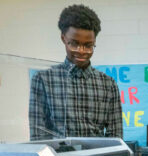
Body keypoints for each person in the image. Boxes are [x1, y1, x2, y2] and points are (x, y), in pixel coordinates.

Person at [29, 4, 122, 141]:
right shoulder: (43, 79)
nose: (81, 51)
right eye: (74, 43)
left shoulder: (108, 84)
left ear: (94, 41)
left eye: (88, 45)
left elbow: (116, 137)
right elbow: (38, 135)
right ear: (63, 39)